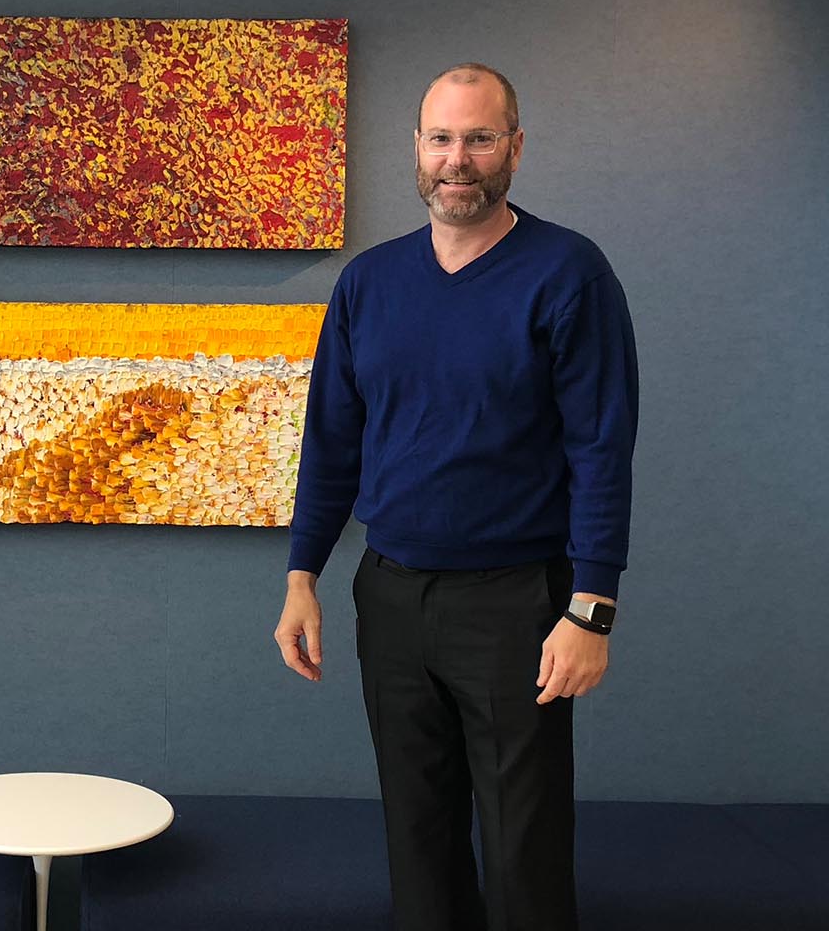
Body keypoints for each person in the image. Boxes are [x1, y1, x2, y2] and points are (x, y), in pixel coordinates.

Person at [273, 63, 638, 931]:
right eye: (441, 138)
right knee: (418, 836)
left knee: (522, 848)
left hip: (518, 602)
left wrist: (592, 609)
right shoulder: (370, 283)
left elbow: (601, 449)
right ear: (417, 148)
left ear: (515, 146)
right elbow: (332, 440)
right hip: (392, 594)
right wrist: (302, 575)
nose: (457, 159)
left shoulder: (568, 274)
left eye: (479, 138)